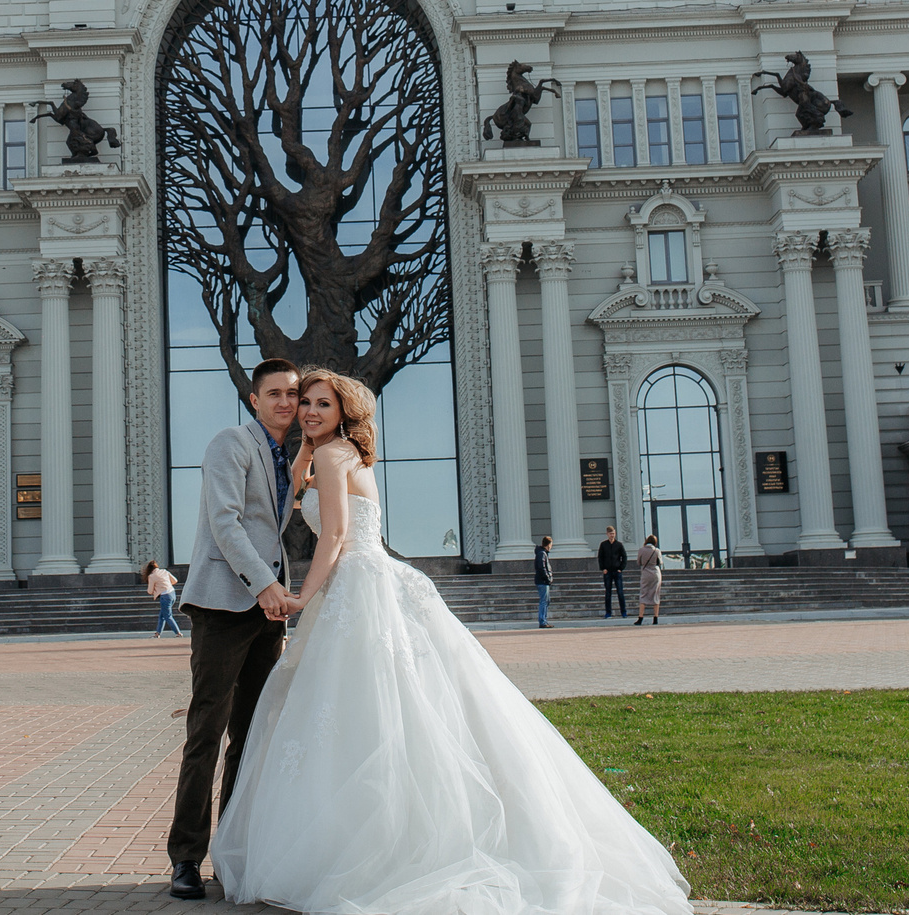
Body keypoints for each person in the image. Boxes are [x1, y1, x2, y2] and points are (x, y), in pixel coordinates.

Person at [211, 369, 691, 915]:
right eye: (306, 404)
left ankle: (366, 845)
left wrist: (302, 598)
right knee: (393, 705)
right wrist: (305, 450)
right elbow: (312, 495)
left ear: (344, 411)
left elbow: (338, 535)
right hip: (373, 580)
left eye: (323, 404)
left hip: (354, 582)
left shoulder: (330, 457)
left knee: (358, 707)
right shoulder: (345, 454)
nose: (310, 412)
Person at [166, 359, 302, 902]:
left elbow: (274, 531)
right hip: (225, 605)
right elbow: (225, 521)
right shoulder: (231, 443)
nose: (286, 403)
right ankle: (185, 858)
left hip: (267, 615)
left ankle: (230, 853)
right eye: (274, 394)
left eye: (293, 394)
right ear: (253, 399)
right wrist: (266, 585)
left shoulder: (287, 456)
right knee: (206, 732)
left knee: (249, 735)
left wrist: (277, 593)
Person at [145, 559, 184, 638]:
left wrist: (158, 589)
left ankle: (178, 633)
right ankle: (158, 633)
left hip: (165, 596)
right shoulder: (164, 571)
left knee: (168, 616)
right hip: (172, 593)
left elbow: (150, 591)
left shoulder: (152, 576)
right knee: (162, 615)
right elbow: (175, 580)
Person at [597, 525, 629, 619]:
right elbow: (600, 557)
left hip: (617, 571)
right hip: (608, 572)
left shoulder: (619, 545)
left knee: (620, 592)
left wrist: (621, 568)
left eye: (613, 533)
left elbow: (624, 557)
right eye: (610, 534)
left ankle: (623, 612)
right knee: (608, 593)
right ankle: (608, 613)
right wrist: (603, 568)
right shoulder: (603, 545)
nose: (612, 535)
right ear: (607, 534)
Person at [635, 534, 664, 626]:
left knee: (644, 594)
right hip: (655, 573)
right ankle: (655, 618)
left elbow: (638, 562)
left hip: (646, 573)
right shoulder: (657, 551)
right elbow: (660, 562)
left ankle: (640, 617)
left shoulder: (641, 550)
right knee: (655, 594)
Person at [534, 534, 556, 628]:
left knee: (546, 601)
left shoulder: (542, 553)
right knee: (544, 601)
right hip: (542, 581)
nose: (551, 547)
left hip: (542, 581)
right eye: (551, 544)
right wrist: (548, 578)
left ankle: (544, 620)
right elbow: (542, 568)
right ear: (548, 544)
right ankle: (543, 621)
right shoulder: (542, 554)